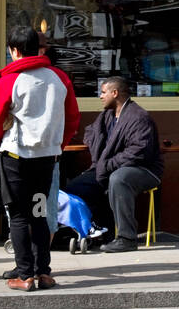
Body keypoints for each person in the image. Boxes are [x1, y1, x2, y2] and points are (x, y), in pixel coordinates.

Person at [0, 26, 80, 291]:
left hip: (16, 156)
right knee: (39, 214)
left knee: (19, 216)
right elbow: (72, 118)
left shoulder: (9, 79)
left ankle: (25, 275)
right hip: (47, 157)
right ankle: (43, 272)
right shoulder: (59, 77)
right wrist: (57, 144)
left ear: (14, 50)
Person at [62, 76, 162, 253]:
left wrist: (108, 164)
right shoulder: (107, 115)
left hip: (144, 170)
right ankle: (92, 232)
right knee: (75, 188)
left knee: (118, 179)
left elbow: (138, 152)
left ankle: (127, 238)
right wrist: (101, 153)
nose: (100, 96)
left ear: (114, 93)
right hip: (108, 167)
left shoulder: (139, 117)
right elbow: (91, 132)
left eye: (103, 92)